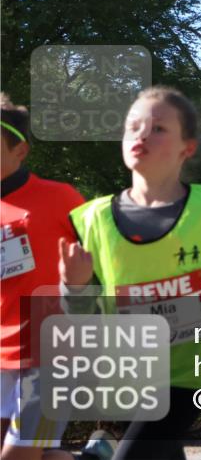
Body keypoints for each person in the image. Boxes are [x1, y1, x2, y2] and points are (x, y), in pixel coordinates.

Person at [60, 86, 201, 459]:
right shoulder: (92, 219)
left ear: (188, 147)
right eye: (132, 127)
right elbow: (82, 320)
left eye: (159, 128)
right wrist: (74, 286)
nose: (141, 135)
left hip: (193, 371)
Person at [1, 94, 84, 460]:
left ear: (20, 150)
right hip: (0, 357)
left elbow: (109, 257)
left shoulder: (61, 198)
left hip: (52, 355)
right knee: (44, 455)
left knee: (17, 458)